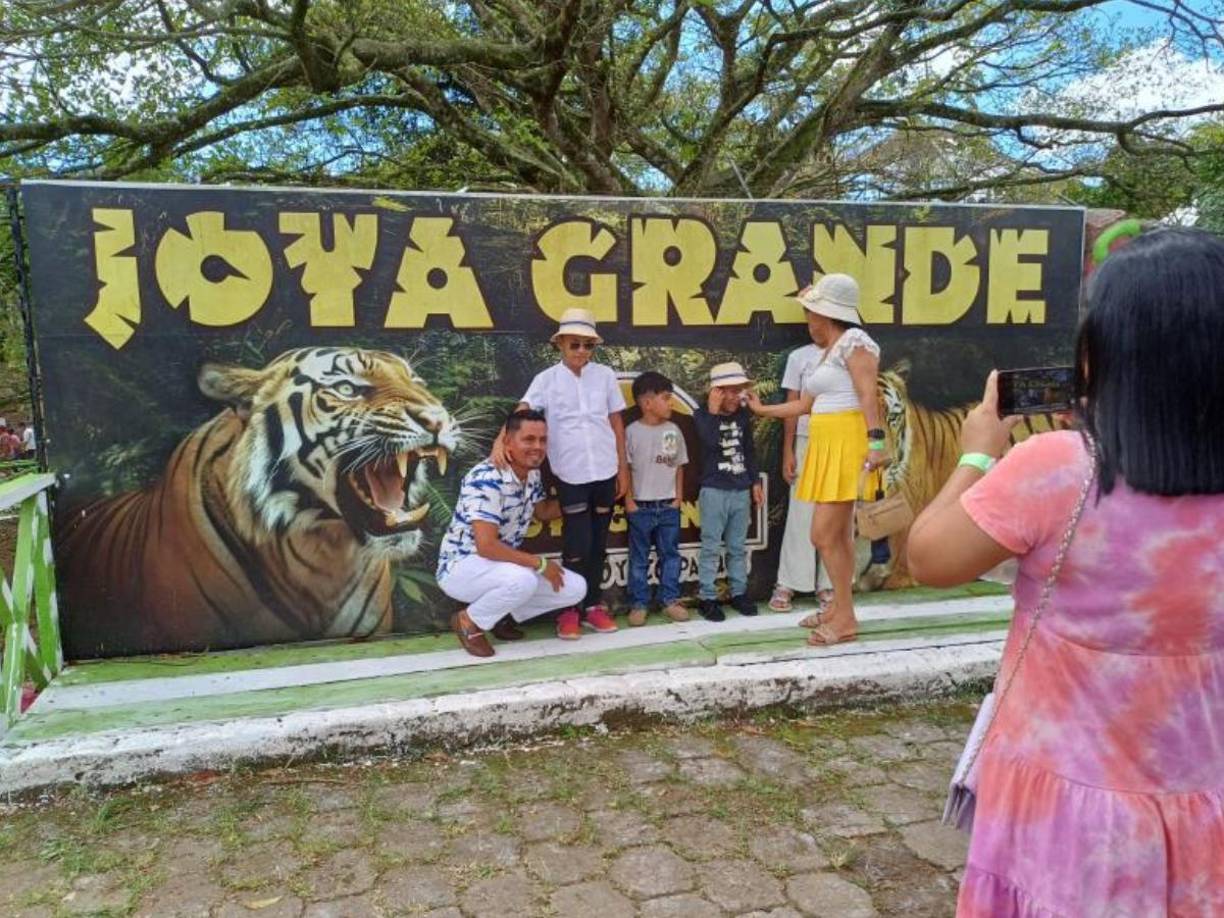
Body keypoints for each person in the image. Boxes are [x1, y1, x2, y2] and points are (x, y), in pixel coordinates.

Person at [907, 227, 1224, 916]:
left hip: (1066, 811)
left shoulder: (1058, 467)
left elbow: (929, 557)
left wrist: (979, 455)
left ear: (1107, 350)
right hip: (1203, 795)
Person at [745, 274, 888, 645]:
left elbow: (867, 395)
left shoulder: (857, 342)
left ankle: (845, 618)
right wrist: (763, 409)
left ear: (825, 314)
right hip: (824, 444)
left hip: (846, 442)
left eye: (811, 312)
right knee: (836, 536)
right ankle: (839, 610)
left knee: (822, 534)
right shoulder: (829, 350)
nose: (808, 320)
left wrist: (876, 443)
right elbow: (805, 405)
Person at [505, 307, 628, 640]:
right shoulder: (546, 379)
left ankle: (593, 606)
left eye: (588, 345)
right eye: (574, 344)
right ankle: (569, 610)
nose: (581, 351)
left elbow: (616, 423)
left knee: (599, 543)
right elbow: (524, 411)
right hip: (570, 473)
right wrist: (502, 443)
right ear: (560, 344)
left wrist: (623, 470)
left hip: (605, 469)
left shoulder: (604, 376)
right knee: (577, 544)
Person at [438, 409, 587, 658]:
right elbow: (486, 546)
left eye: (542, 440)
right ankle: (469, 621)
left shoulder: (532, 475)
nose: (537, 447)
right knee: (523, 579)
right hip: (461, 567)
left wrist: (584, 498)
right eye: (529, 439)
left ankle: (499, 615)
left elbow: (543, 512)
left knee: (575, 588)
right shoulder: (485, 478)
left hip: (502, 567)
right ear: (507, 441)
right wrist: (538, 563)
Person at [769, 338, 836, 613]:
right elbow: (792, 404)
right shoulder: (799, 356)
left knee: (835, 512)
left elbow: (867, 398)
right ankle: (788, 582)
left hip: (840, 439)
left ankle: (829, 584)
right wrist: (788, 449)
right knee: (801, 511)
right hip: (806, 438)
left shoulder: (853, 351)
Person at [693, 362, 762, 622]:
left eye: (738, 391)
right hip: (713, 490)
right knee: (710, 546)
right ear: (715, 392)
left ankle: (739, 592)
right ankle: (707, 597)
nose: (734, 397)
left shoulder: (743, 416)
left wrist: (754, 481)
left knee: (737, 546)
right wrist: (712, 412)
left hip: (740, 490)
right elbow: (709, 442)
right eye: (728, 391)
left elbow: (749, 450)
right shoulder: (702, 416)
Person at [624, 371, 690, 626]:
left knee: (670, 555)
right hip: (640, 506)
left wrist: (678, 498)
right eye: (666, 398)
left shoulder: (671, 431)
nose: (671, 403)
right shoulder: (631, 432)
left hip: (668, 505)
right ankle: (639, 604)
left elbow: (677, 466)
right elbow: (626, 469)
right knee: (639, 558)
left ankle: (670, 600)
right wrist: (629, 501)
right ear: (647, 402)